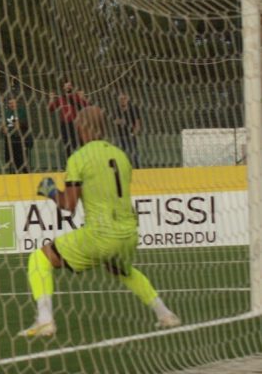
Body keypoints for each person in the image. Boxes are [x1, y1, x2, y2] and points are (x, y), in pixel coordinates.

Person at [20, 106, 180, 338]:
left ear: (81, 127)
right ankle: (165, 314)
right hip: (128, 234)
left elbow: (69, 206)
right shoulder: (121, 156)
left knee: (39, 258)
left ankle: (45, 320)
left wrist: (51, 190)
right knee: (122, 270)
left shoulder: (79, 157)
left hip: (101, 234)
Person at [48, 81, 88, 158]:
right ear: (63, 87)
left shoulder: (77, 96)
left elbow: (86, 107)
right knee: (67, 144)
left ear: (72, 87)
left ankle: (82, 160)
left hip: (76, 123)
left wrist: (83, 97)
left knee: (79, 142)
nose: (68, 87)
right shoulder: (61, 98)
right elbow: (51, 109)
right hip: (65, 124)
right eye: (66, 86)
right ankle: (69, 162)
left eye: (69, 85)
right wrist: (51, 99)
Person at [2, 97, 31, 174]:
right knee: (12, 157)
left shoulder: (21, 111)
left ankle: (25, 172)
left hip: (20, 137)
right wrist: (4, 127)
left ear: (16, 103)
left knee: (22, 156)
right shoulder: (7, 113)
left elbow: (23, 123)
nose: (11, 105)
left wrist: (18, 124)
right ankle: (14, 172)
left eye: (13, 103)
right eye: (9, 103)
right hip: (10, 138)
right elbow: (4, 124)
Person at [113, 93, 142, 168]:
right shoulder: (117, 109)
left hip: (130, 134)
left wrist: (134, 132)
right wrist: (119, 121)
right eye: (120, 99)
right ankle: (122, 167)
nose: (122, 101)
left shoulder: (133, 109)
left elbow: (137, 122)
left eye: (124, 99)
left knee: (133, 152)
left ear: (127, 99)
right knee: (121, 152)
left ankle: (136, 167)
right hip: (120, 135)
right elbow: (115, 121)